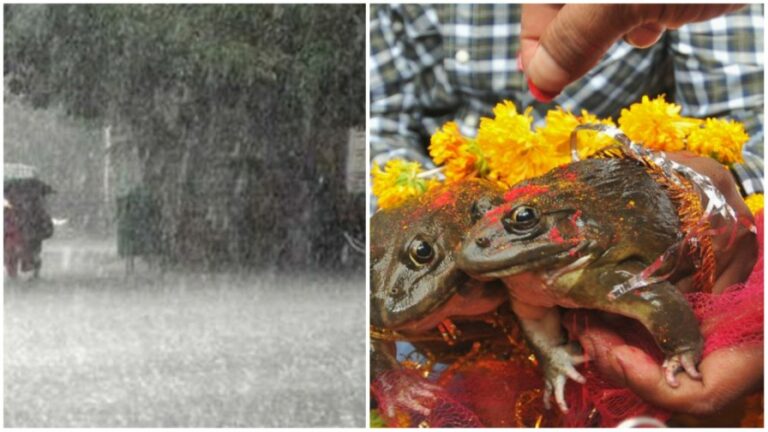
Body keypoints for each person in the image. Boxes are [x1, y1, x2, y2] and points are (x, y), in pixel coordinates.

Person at [370, 3, 763, 417]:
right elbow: (381, 123)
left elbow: (751, 122)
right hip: (452, 208)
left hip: (635, 191)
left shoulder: (593, 273)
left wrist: (702, 198)